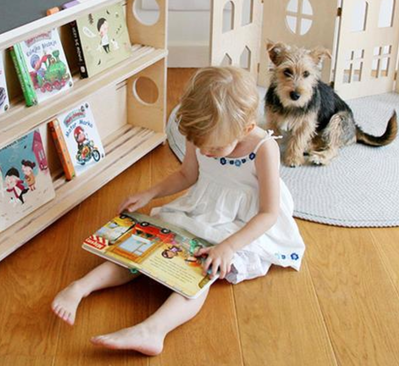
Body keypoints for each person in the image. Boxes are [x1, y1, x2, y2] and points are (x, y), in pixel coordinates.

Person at [51, 66, 305, 356]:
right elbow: (187, 176)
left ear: (245, 129)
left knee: (201, 268)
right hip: (203, 205)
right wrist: (150, 193)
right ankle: (81, 287)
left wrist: (228, 247)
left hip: (243, 222)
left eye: (215, 148)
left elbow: (269, 214)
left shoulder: (263, 148)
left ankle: (154, 330)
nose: (206, 153)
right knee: (148, 242)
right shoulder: (200, 133)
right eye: (201, 146)